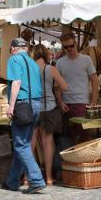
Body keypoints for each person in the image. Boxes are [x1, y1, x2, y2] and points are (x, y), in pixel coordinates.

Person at [3, 38, 47, 194]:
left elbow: (16, 82)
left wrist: (11, 106)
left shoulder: (14, 60)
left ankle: (36, 180)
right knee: (23, 145)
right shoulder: (33, 63)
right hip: (35, 104)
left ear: (14, 48)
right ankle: (13, 181)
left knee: (21, 145)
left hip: (22, 105)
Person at [30, 44, 69, 186]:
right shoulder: (50, 69)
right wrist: (53, 86)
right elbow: (64, 86)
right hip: (49, 108)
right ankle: (48, 177)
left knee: (31, 143)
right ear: (45, 54)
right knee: (47, 144)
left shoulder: (29, 69)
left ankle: (27, 177)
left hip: (33, 108)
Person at [56, 32, 99, 143]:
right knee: (69, 137)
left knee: (84, 136)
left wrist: (93, 101)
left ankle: (84, 159)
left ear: (76, 43)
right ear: (63, 47)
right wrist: (60, 102)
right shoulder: (60, 63)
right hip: (66, 104)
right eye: (66, 47)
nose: (70, 49)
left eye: (71, 46)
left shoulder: (86, 60)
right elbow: (57, 85)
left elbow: (95, 80)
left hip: (82, 104)